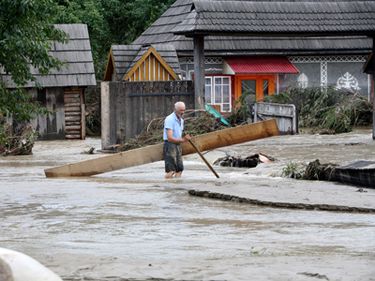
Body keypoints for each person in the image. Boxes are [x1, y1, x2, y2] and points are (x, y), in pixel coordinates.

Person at [163, 101, 191, 178]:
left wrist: (184, 139)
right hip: (170, 145)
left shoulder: (181, 121)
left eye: (184, 110)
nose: (182, 112)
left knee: (179, 169)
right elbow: (170, 138)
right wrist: (183, 140)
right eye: (181, 110)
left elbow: (179, 135)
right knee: (171, 170)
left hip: (178, 145)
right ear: (175, 109)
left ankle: (177, 187)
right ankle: (168, 188)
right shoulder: (169, 119)